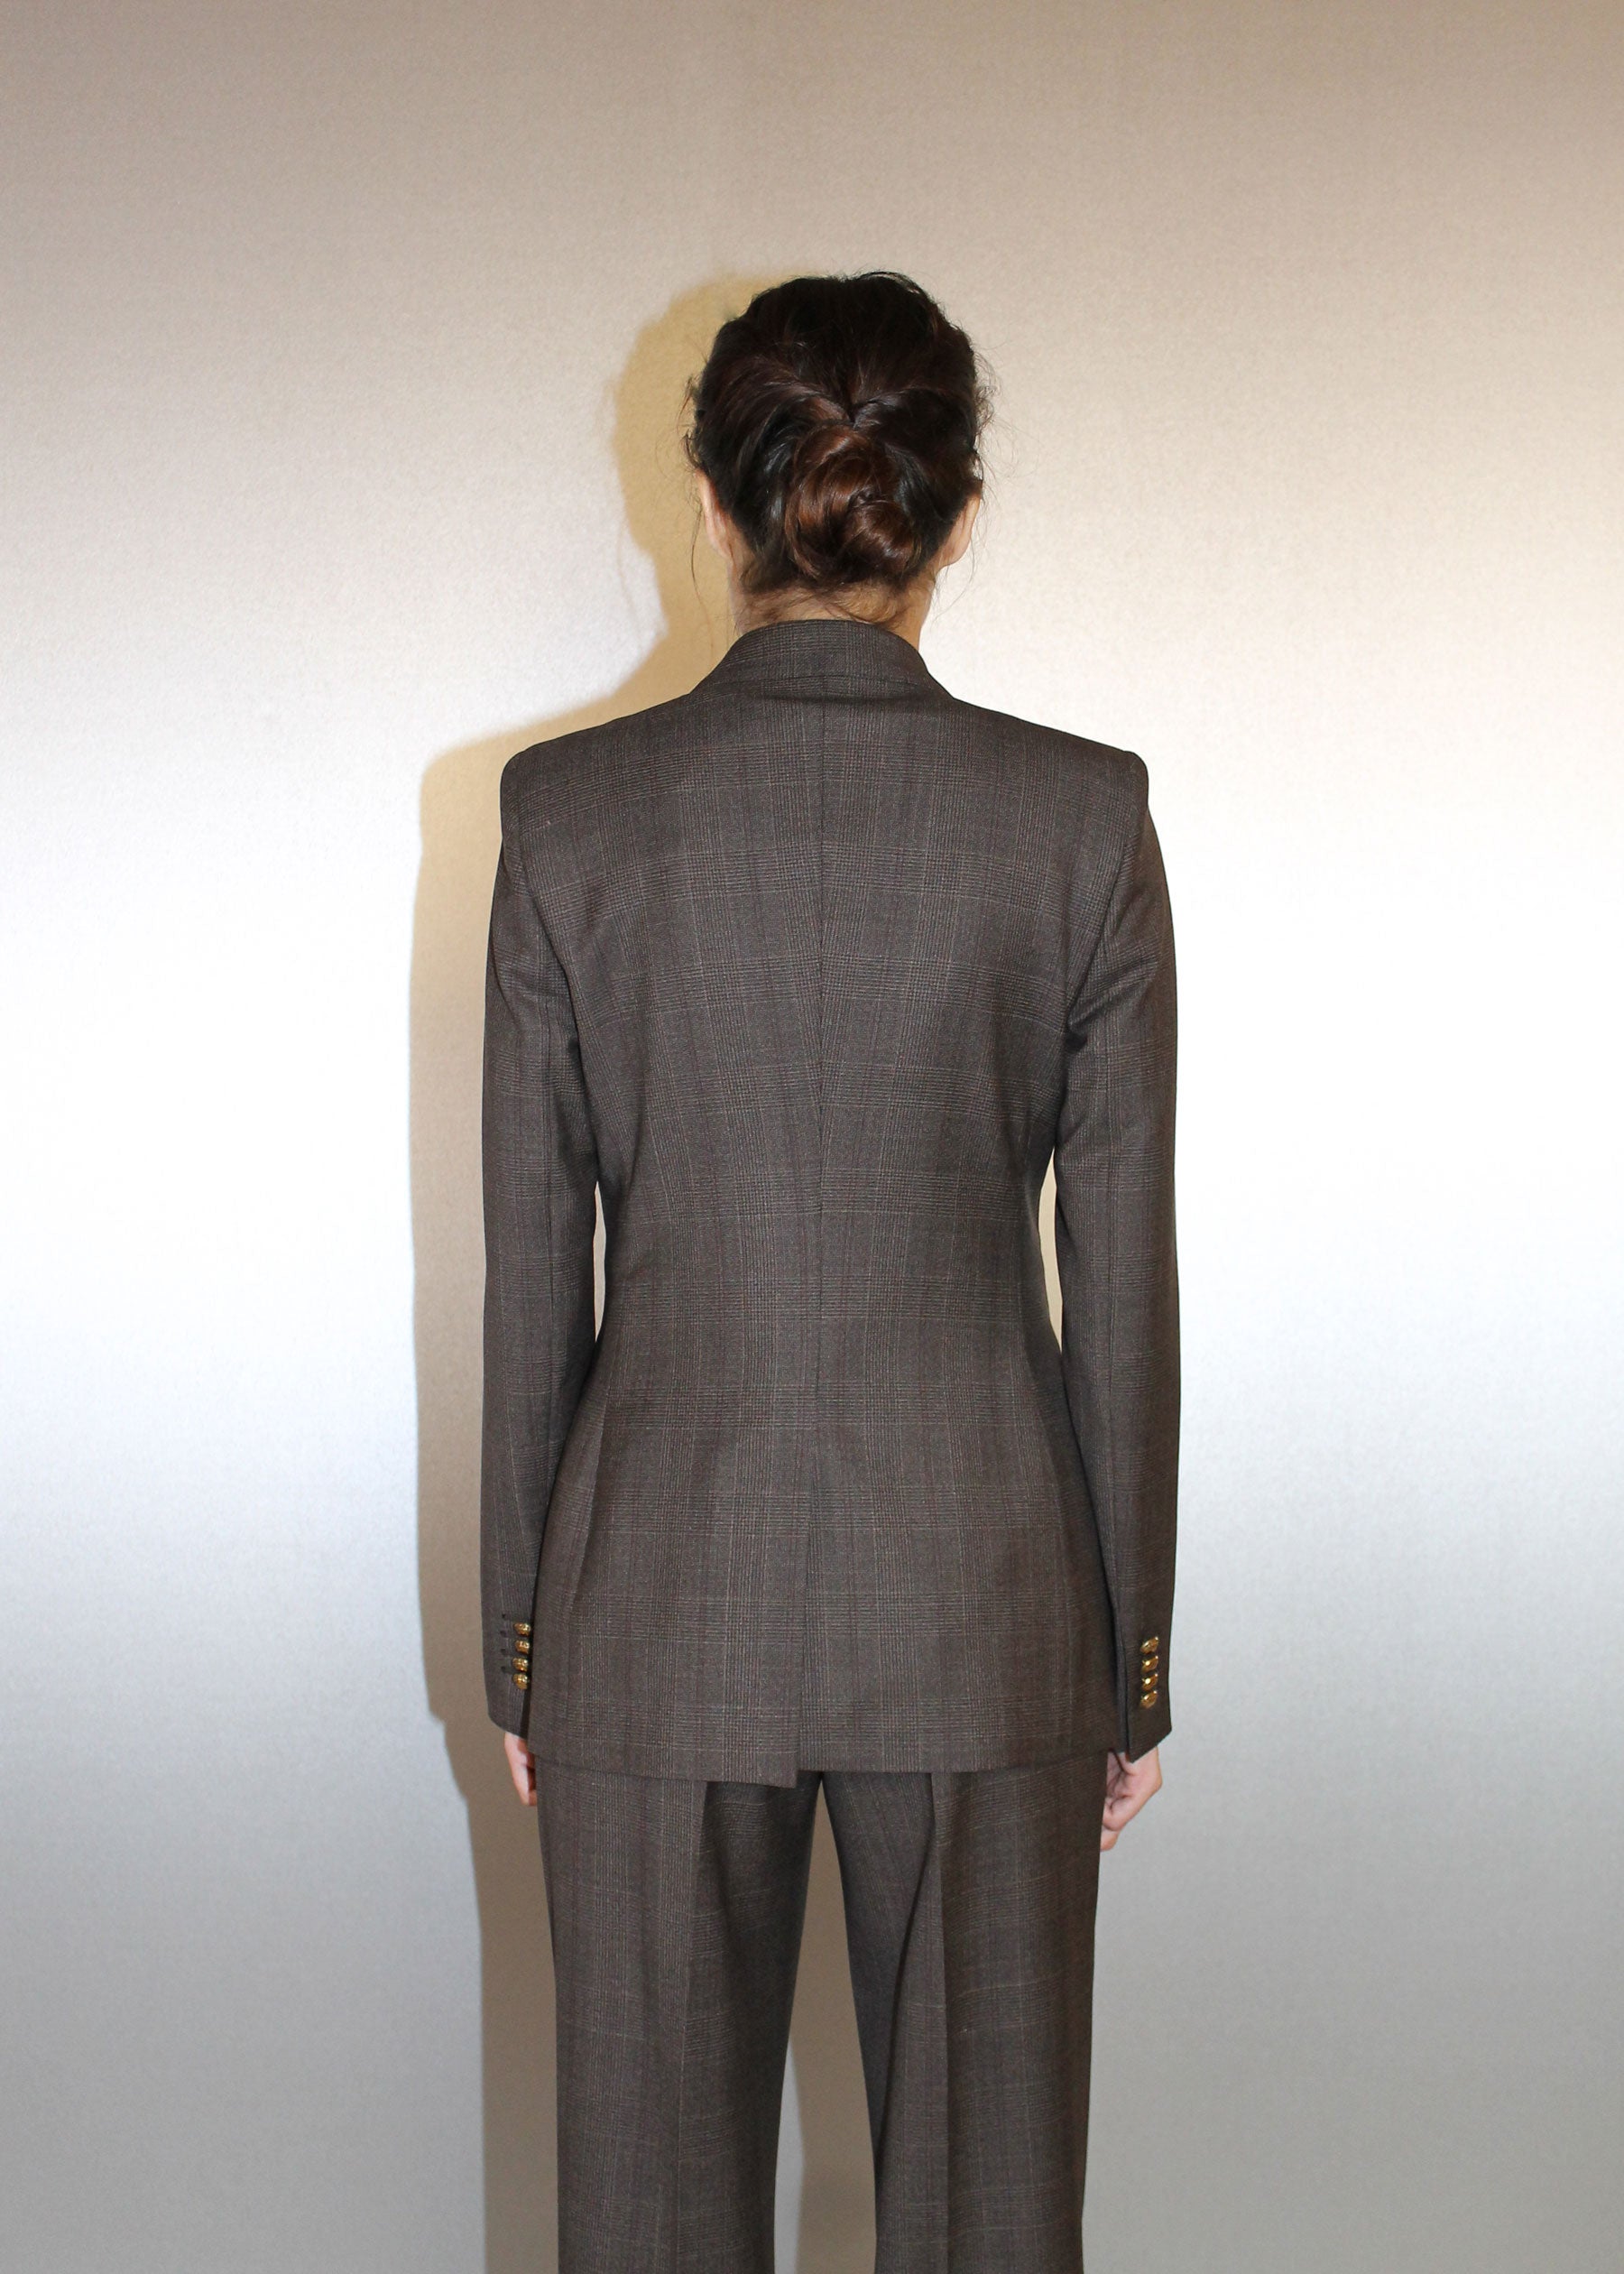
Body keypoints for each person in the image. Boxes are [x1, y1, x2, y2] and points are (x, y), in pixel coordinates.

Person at [479, 270, 1178, 2273]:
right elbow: (1123, 1279)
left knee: (647, 2222)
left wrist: (525, 1644)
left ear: (711, 505)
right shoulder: (1083, 823)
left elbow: (534, 1274)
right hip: (988, 1609)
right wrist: (1129, 1658)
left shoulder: (568, 819)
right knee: (990, 2220)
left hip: (651, 1604)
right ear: (955, 517)